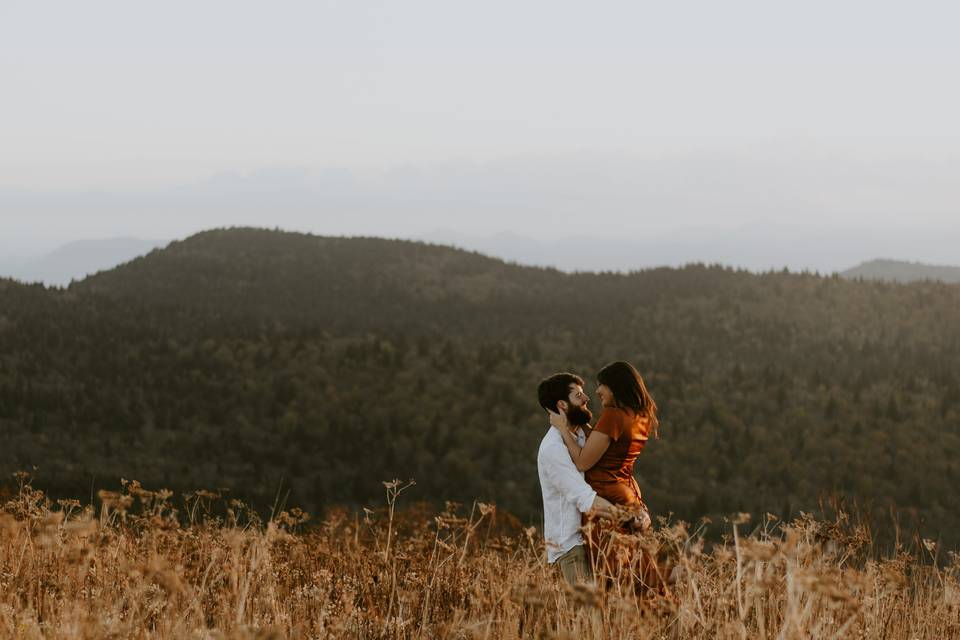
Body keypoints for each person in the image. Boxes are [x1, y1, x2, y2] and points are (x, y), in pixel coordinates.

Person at [549, 361, 660, 588]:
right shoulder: (640, 415)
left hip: (606, 491)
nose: (597, 391)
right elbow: (608, 444)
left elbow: (582, 461)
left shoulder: (613, 415)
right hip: (627, 489)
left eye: (602, 385)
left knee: (613, 574)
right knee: (637, 568)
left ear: (615, 387)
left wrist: (562, 428)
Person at [536, 372, 617, 584]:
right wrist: (627, 518)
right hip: (572, 548)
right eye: (579, 395)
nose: (586, 398)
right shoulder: (553, 448)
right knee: (591, 616)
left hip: (595, 541)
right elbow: (585, 500)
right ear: (562, 405)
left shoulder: (579, 434)